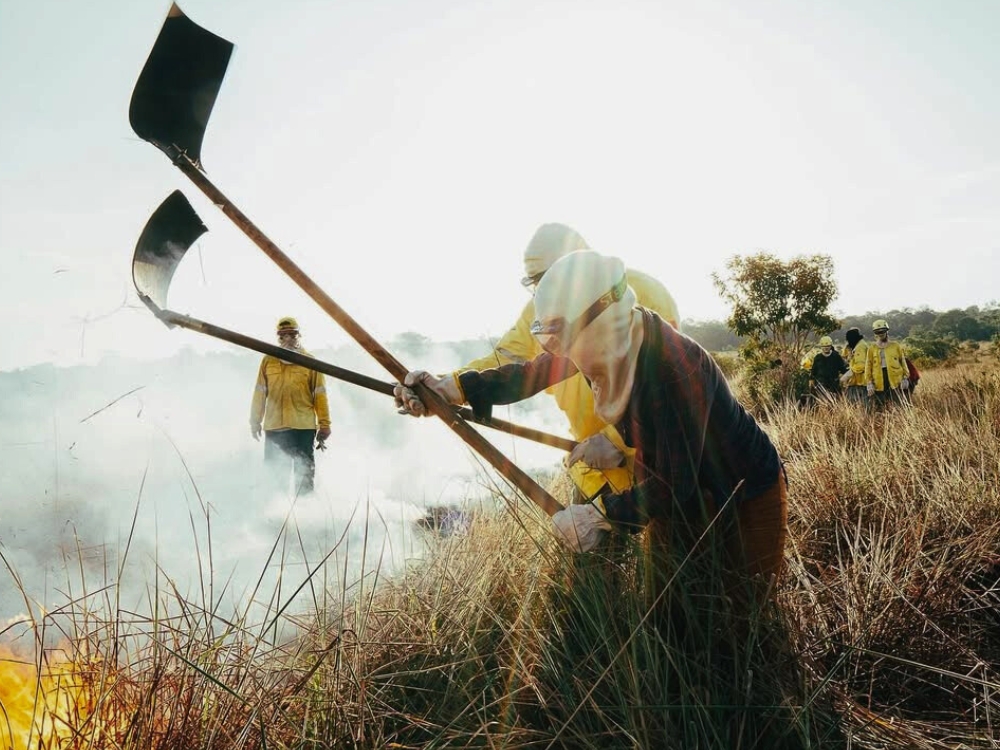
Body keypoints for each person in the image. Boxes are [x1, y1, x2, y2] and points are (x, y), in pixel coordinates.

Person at [395, 250, 787, 602]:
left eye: (560, 336)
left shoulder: (673, 368)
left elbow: (674, 482)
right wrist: (453, 387)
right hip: (676, 491)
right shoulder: (600, 343)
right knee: (672, 603)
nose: (555, 351)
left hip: (743, 492)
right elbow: (529, 374)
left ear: (599, 319)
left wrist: (597, 515)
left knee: (743, 605)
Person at [455, 223, 681, 504]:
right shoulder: (540, 314)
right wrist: (449, 384)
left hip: (653, 454)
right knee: (586, 541)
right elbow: (509, 361)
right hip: (592, 463)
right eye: (537, 285)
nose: (543, 293)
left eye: (548, 281)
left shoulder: (642, 292)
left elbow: (669, 387)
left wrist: (616, 440)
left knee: (668, 540)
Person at [250, 316, 331, 494]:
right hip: (275, 428)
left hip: (303, 427)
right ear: (278, 337)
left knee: (305, 477)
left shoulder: (310, 362)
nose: (287, 339)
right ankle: (277, 518)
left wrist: (324, 424)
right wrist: (255, 421)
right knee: (275, 477)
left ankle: (305, 516)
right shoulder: (268, 361)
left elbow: (320, 395)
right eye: (283, 336)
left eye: (292, 335)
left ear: (298, 336)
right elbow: (260, 392)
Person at [864, 318, 910, 409]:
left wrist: (905, 378)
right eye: (877, 332)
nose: (880, 334)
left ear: (886, 331)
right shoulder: (872, 348)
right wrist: (869, 383)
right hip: (878, 381)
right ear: (875, 333)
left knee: (898, 406)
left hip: (895, 381)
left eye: (882, 331)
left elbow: (903, 362)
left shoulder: (895, 346)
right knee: (879, 407)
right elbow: (868, 366)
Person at [839, 327, 870, 404]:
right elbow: (846, 358)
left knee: (861, 405)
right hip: (855, 381)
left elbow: (860, 366)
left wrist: (847, 375)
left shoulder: (860, 347)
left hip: (862, 382)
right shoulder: (856, 345)